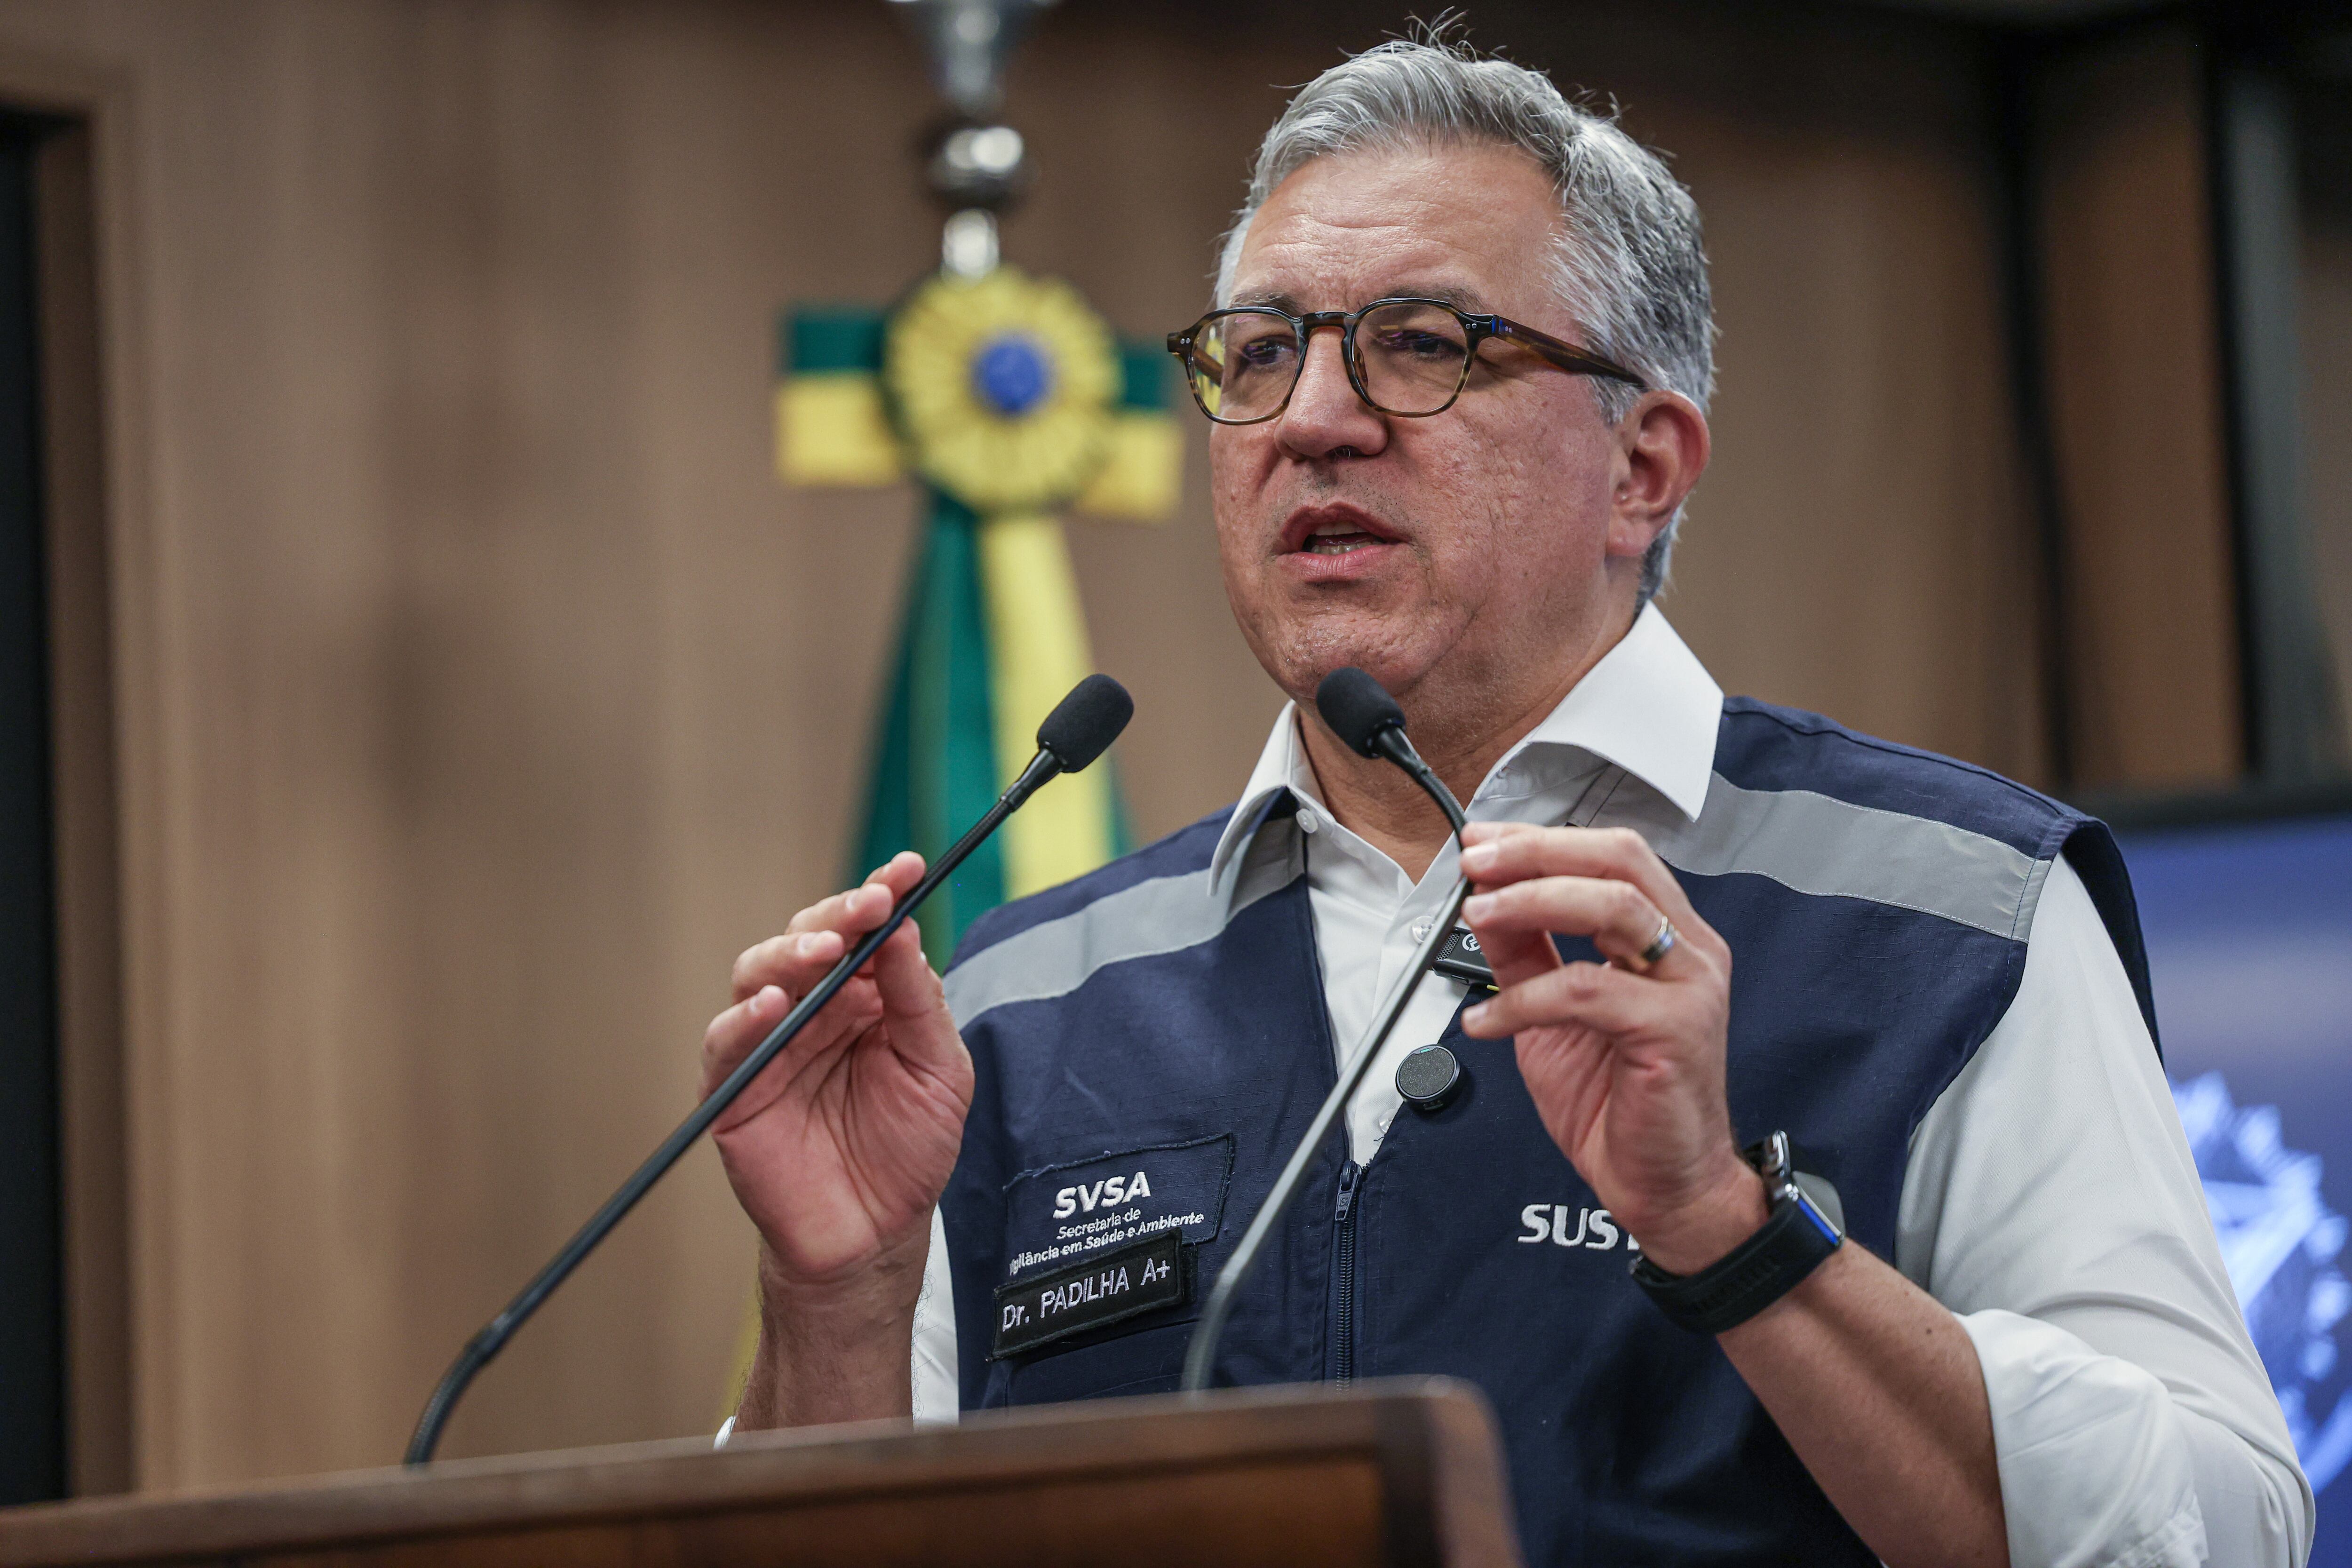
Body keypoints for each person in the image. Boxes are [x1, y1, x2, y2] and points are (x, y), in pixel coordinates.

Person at [702, 38, 2312, 1568]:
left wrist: (1734, 1233)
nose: (1314, 420)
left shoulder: (1958, 918)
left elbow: (2221, 1530)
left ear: (1647, 467)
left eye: (1423, 345)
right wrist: (834, 1300)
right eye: (1259, 354)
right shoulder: (1015, 1001)